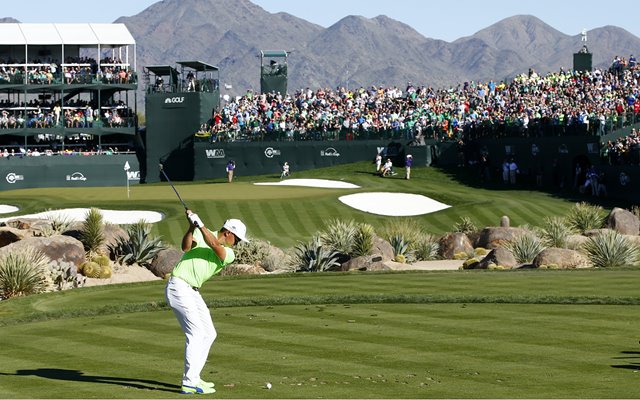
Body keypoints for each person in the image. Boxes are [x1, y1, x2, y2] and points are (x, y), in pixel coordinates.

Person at [165, 210, 248, 395]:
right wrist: (191, 226)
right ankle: (188, 382)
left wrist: (200, 224)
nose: (239, 243)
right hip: (178, 286)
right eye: (238, 239)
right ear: (228, 233)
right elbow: (185, 247)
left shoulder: (228, 254)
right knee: (195, 333)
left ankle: (195, 377)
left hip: (193, 290)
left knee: (209, 333)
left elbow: (213, 244)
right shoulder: (203, 233)